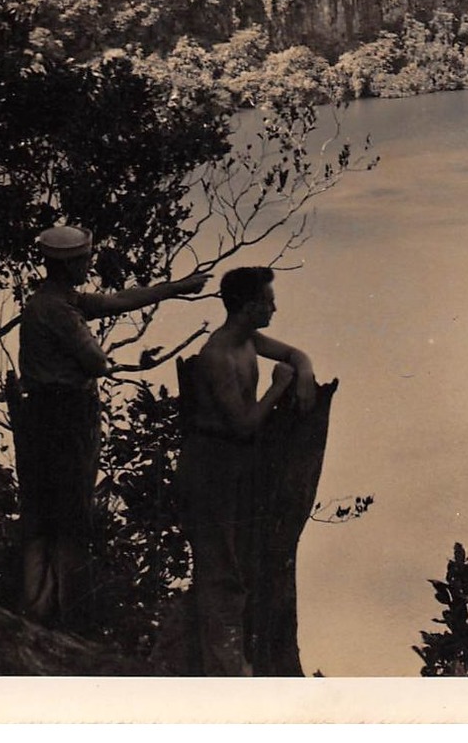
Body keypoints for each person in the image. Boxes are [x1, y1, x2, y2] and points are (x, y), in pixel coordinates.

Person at [12, 223, 208, 633]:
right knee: (70, 517)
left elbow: (118, 301)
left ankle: (37, 610)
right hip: (65, 417)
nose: (88, 264)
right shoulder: (62, 311)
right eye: (84, 259)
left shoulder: (49, 301)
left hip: (40, 415)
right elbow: (97, 361)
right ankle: (66, 618)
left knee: (41, 513)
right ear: (70, 265)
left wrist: (175, 288)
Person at [175, 265, 316, 675]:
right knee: (220, 571)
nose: (275, 307)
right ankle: (223, 672)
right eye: (268, 301)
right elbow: (241, 424)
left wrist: (302, 373)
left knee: (237, 565)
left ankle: (231, 663)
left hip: (233, 469)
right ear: (249, 306)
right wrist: (278, 386)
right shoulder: (217, 355)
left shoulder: (248, 340)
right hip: (210, 467)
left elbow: (294, 354)